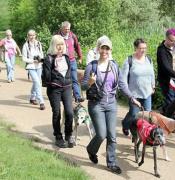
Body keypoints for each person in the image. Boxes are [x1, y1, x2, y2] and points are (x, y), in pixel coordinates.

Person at [82, 37, 140, 174]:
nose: (104, 51)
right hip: (96, 104)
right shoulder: (91, 66)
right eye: (102, 47)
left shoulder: (114, 65)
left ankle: (111, 163)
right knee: (101, 134)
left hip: (111, 104)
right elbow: (83, 86)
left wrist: (131, 98)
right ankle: (91, 149)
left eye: (107, 48)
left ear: (110, 50)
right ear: (98, 49)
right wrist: (90, 82)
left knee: (112, 135)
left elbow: (122, 84)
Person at [43, 35, 74, 148]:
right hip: (54, 89)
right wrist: (55, 76)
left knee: (70, 112)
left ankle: (68, 134)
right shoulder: (49, 59)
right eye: (58, 44)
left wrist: (74, 87)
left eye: (62, 44)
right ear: (53, 45)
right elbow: (47, 77)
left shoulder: (66, 57)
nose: (60, 47)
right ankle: (58, 136)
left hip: (66, 87)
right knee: (57, 113)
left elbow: (70, 73)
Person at [121, 38, 155, 136]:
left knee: (147, 116)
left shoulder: (149, 59)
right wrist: (129, 94)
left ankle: (142, 135)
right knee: (133, 114)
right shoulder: (129, 60)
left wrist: (153, 86)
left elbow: (152, 74)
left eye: (145, 48)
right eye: (140, 48)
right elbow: (123, 79)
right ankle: (125, 124)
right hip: (134, 94)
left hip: (147, 93)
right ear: (135, 48)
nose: (143, 50)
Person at [57, 21, 84, 102]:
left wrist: (80, 57)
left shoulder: (72, 36)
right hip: (62, 61)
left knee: (74, 78)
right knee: (63, 79)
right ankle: (63, 95)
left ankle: (77, 96)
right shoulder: (57, 37)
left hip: (72, 60)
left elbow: (77, 46)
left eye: (68, 29)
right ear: (62, 28)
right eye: (66, 29)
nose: (67, 31)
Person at [157, 28, 175, 113]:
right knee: (171, 102)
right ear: (166, 38)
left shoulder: (174, 47)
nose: (174, 43)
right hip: (168, 81)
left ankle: (164, 112)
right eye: (172, 40)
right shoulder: (161, 50)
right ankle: (168, 120)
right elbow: (166, 67)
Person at [22, 29, 45, 110]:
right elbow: (24, 58)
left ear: (35, 35)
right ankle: (41, 101)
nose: (31, 37)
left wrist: (41, 59)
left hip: (39, 66)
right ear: (27, 36)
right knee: (37, 82)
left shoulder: (38, 44)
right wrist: (32, 60)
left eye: (33, 35)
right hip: (31, 67)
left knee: (37, 82)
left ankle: (32, 97)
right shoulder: (26, 45)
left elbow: (41, 53)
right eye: (30, 35)